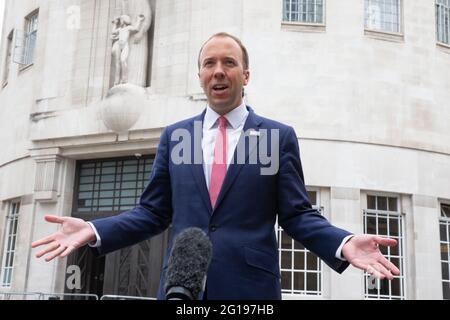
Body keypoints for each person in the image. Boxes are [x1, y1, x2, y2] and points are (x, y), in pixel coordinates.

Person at [32, 32, 400, 299]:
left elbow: (297, 215)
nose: (219, 71)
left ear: (246, 75)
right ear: (201, 76)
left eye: (229, 62)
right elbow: (153, 212)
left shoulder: (277, 136)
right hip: (181, 289)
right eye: (210, 63)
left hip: (250, 291)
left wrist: (344, 241)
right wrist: (95, 230)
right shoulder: (177, 136)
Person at [111, 14, 145, 85]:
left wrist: (139, 20)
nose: (121, 22)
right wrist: (115, 23)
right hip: (119, 46)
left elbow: (136, 29)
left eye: (121, 20)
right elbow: (113, 32)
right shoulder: (120, 29)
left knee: (123, 60)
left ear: (124, 20)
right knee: (118, 63)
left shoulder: (128, 28)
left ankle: (124, 79)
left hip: (125, 46)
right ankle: (116, 81)